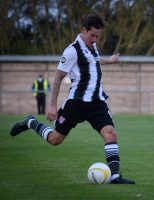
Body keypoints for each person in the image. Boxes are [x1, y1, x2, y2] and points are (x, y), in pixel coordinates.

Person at [10, 14, 135, 184]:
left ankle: (114, 176)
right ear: (84, 30)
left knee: (110, 133)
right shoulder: (71, 51)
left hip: (97, 101)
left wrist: (110, 61)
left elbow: (94, 61)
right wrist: (53, 106)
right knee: (55, 140)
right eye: (92, 35)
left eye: (98, 36)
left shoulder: (92, 46)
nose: (95, 38)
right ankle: (31, 122)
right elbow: (58, 77)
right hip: (76, 103)